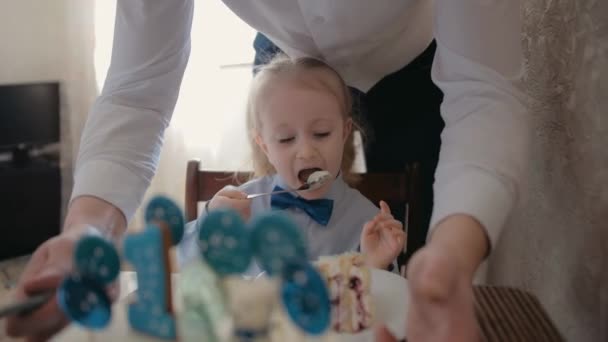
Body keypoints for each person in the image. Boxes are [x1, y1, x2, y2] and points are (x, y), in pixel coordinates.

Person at [6, 1, 529, 341]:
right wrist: (87, 233)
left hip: (417, 67)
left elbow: (485, 89)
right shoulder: (246, 202)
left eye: (324, 137)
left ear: (345, 131)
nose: (304, 153)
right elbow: (135, 93)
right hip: (283, 60)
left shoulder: (364, 216)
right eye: (280, 142)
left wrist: (450, 259)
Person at [177, 56, 406, 273]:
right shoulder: (239, 208)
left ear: (345, 133)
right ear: (265, 145)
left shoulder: (367, 221)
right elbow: (183, 267)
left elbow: (388, 302)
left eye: (321, 133)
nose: (306, 152)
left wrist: (375, 266)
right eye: (286, 138)